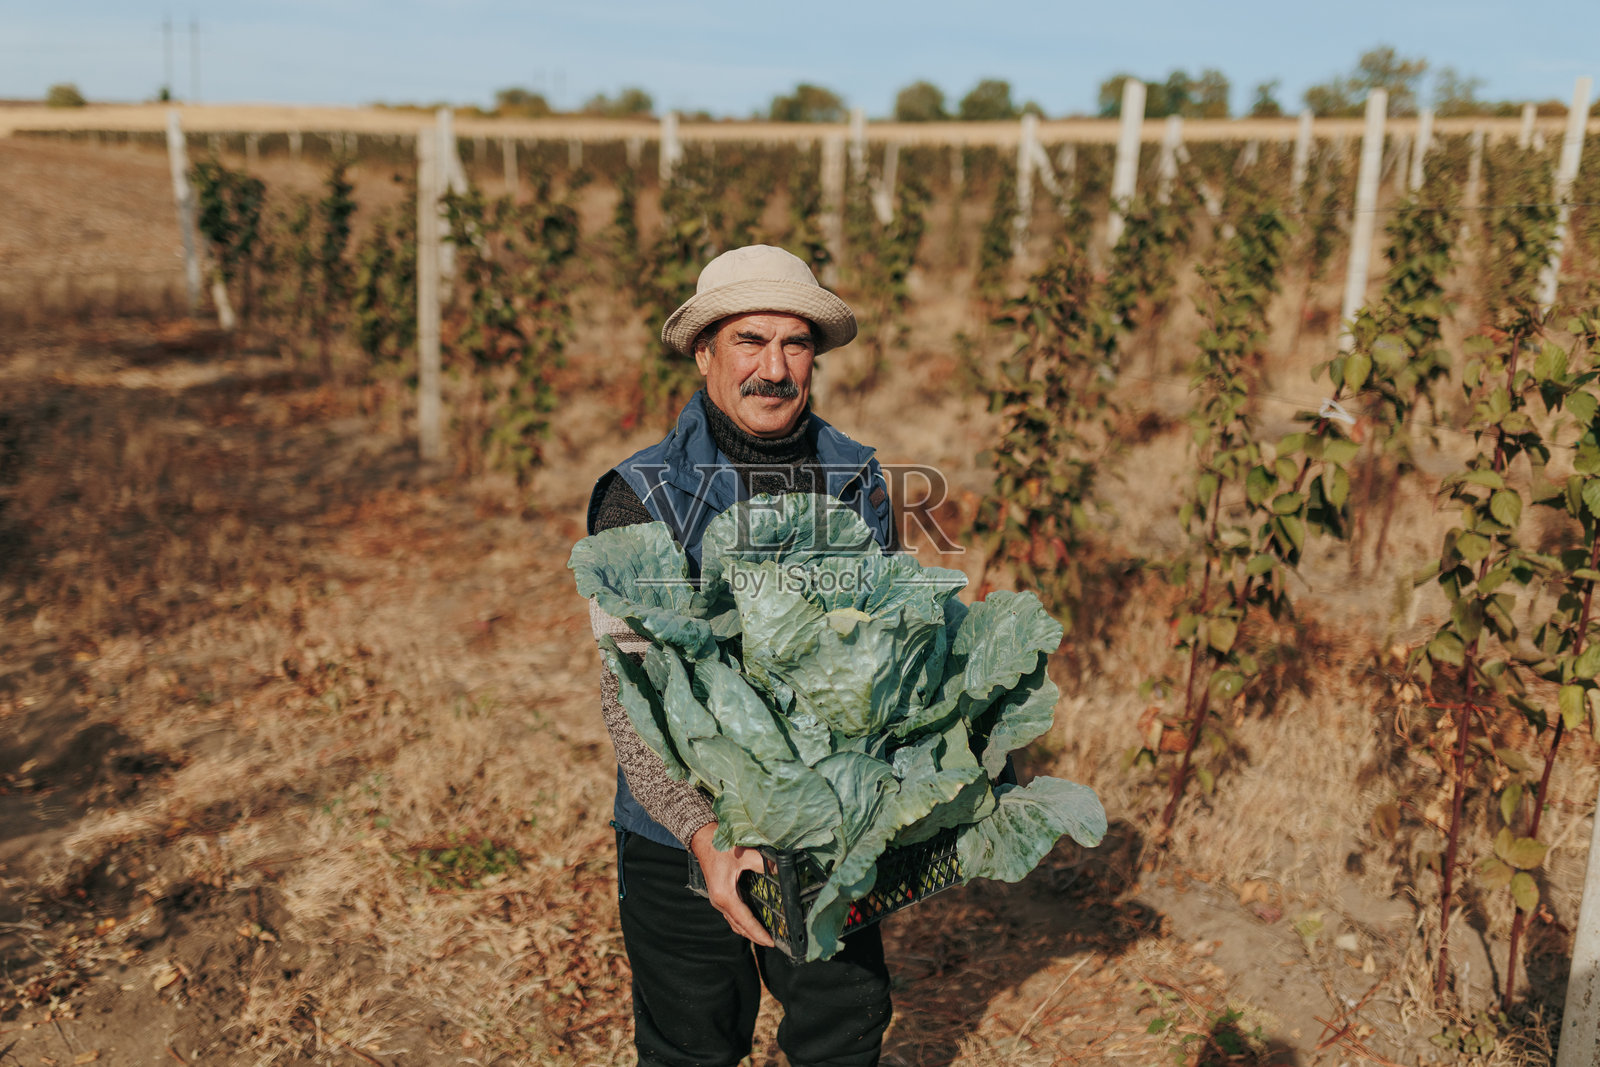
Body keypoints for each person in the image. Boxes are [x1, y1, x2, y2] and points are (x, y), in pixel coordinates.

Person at [583, 245, 897, 1066]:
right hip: (679, 832)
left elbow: (882, 654)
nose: (774, 368)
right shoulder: (637, 494)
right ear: (705, 352)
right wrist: (699, 829)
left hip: (822, 821)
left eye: (795, 344)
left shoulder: (856, 478)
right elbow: (632, 690)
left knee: (844, 1029)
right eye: (750, 341)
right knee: (691, 1044)